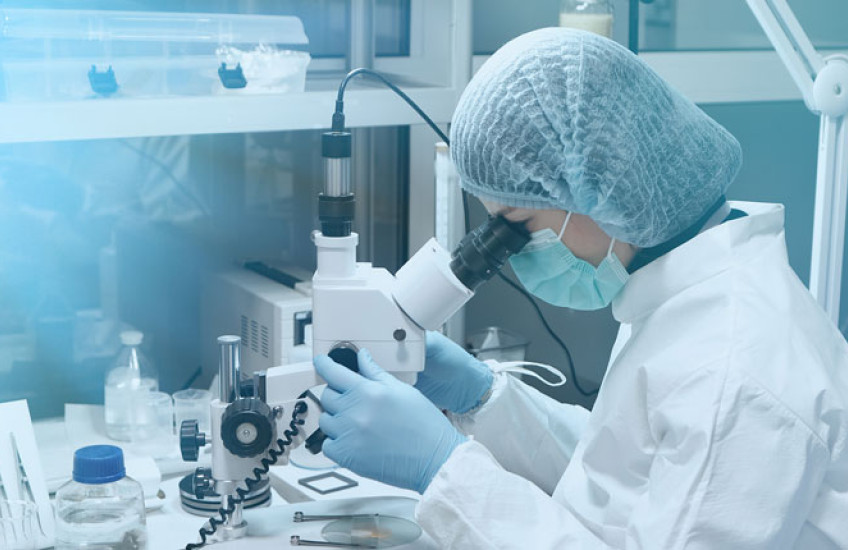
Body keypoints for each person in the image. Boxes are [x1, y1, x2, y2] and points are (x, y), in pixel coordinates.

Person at [313, 28, 848, 548]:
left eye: (514, 226)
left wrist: (443, 469)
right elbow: (619, 478)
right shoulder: (684, 296)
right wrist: (485, 398)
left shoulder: (735, 371)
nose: (512, 255)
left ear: (601, 178)